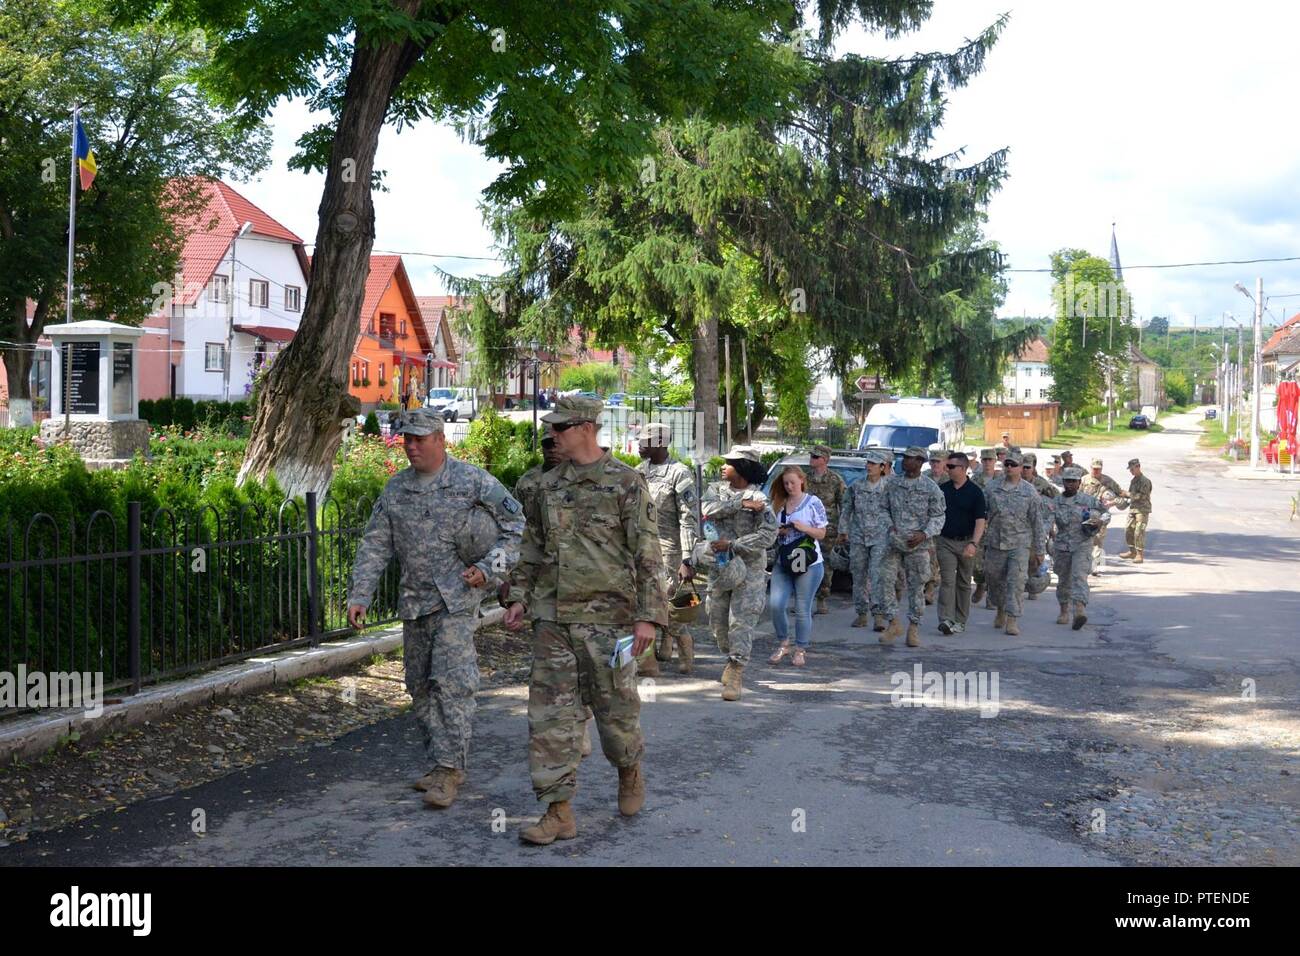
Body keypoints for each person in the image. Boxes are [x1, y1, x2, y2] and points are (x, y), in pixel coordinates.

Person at [504, 395, 668, 846]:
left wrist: (649, 618)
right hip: (553, 618)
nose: (553, 435)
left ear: (586, 428)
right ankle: (558, 811)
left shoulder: (627, 483)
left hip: (607, 620)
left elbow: (647, 554)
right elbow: (532, 546)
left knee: (615, 713)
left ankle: (629, 769)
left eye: (560, 427)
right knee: (549, 716)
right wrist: (519, 596)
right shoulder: (547, 486)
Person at [347, 408, 525, 810]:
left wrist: (487, 568)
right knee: (419, 685)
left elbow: (517, 528)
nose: (411, 446)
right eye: (406, 439)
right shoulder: (396, 490)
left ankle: (449, 768)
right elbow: (376, 545)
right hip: (415, 602)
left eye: (419, 439)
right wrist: (360, 595)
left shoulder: (472, 480)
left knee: (452, 683)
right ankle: (438, 761)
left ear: (441, 440)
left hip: (456, 601)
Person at [511, 424, 595, 759]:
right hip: (546, 592)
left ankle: (582, 721)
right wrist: (517, 587)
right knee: (554, 673)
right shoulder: (531, 484)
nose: (551, 448)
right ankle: (565, 737)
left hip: (588, 594)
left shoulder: (584, 480)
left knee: (586, 669)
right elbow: (521, 534)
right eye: (545, 443)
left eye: (555, 441)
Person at [698, 445, 779, 701]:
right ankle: (729, 657)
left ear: (742, 467)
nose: (723, 466)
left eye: (729, 463)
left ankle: (736, 670)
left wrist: (734, 544)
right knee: (717, 620)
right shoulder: (715, 490)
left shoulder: (760, 499)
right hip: (721, 567)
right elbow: (706, 510)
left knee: (741, 622)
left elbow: (769, 534)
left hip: (749, 569)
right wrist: (739, 503)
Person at [637, 422, 701, 673]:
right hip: (642, 546)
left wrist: (687, 559)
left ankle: (684, 645)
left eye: (646, 440)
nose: (641, 444)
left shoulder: (679, 473)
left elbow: (688, 518)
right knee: (643, 603)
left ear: (661, 443)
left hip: (669, 548)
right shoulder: (639, 471)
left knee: (668, 606)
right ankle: (648, 659)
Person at [878, 446, 946, 648]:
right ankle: (893, 622)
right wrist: (889, 528)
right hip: (894, 542)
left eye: (910, 459)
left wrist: (924, 533)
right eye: (904, 458)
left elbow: (939, 515)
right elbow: (882, 509)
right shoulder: (893, 484)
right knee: (884, 580)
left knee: (917, 587)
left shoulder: (930, 487)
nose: (905, 461)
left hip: (918, 545)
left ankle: (913, 628)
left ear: (920, 462)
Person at [767, 465, 829, 667]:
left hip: (808, 561)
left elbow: (821, 533)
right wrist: (779, 531)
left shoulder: (813, 502)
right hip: (784, 560)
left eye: (793, 482)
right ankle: (784, 643)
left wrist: (804, 528)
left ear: (802, 480)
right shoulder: (779, 502)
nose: (789, 486)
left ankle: (800, 649)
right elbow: (769, 530)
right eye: (786, 483)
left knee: (802, 608)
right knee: (776, 604)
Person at [983, 450, 1046, 637]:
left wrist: (1040, 549)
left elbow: (1037, 522)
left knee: (1016, 582)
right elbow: (981, 515)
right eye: (1007, 464)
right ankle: (1000, 609)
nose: (1009, 467)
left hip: (1020, 544)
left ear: (1021, 468)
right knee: (994, 580)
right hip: (995, 542)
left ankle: (1012, 618)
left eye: (1014, 465)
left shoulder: (1029, 492)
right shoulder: (991, 488)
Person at [839, 448, 894, 630]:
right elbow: (847, 509)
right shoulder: (856, 486)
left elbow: (897, 511)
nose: (869, 466)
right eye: (868, 463)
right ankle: (861, 613)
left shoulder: (890, 488)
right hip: (858, 536)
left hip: (881, 537)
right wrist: (843, 531)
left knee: (877, 575)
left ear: (883, 467)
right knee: (859, 574)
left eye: (873, 464)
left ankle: (878, 615)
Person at [1051, 465, 1110, 629]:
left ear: (1079, 483)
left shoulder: (1088, 500)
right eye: (1067, 481)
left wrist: (1100, 521)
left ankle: (1079, 610)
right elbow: (1047, 520)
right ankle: (1063, 611)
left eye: (1074, 482)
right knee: (1064, 580)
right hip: (1062, 545)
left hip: (1082, 543)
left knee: (1079, 576)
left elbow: (1105, 512)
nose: (1070, 484)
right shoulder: (1056, 502)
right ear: (1063, 482)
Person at [936, 452, 987, 635]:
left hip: (966, 542)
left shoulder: (975, 492)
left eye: (951, 467)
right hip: (945, 542)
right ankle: (945, 619)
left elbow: (980, 520)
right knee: (948, 581)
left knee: (964, 582)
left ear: (964, 468)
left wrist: (974, 543)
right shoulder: (942, 490)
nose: (946, 469)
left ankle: (960, 620)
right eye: (946, 466)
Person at [806, 444, 847, 615]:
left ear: (825, 460)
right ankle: (805, 600)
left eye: (816, 457)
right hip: (806, 528)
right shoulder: (804, 479)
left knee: (825, 565)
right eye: (811, 456)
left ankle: (822, 597)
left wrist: (844, 530)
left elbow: (844, 505)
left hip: (828, 530)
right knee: (805, 563)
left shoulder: (835, 480)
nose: (812, 459)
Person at [1080, 458, 1123, 574]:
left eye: (1098, 469)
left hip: (1101, 513)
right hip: (1085, 512)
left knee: (1098, 540)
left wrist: (1113, 502)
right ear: (1090, 468)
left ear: (1101, 469)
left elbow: (1120, 493)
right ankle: (1084, 564)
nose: (1096, 471)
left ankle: (1094, 566)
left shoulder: (1108, 481)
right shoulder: (1084, 480)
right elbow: (1077, 495)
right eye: (1094, 469)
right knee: (1084, 539)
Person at [969, 447, 999, 607]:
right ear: (981, 461)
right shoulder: (975, 480)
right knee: (977, 563)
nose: (987, 463)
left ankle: (991, 597)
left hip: (997, 528)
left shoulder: (1001, 479)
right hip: (979, 526)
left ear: (995, 461)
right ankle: (980, 584)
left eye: (990, 460)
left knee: (994, 564)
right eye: (985, 460)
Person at [1116, 458, 1153, 563]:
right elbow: (1131, 495)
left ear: (1138, 467)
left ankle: (1139, 555)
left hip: (1142, 509)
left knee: (1139, 532)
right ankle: (1132, 552)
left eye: (1132, 469)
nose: (1131, 471)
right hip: (1133, 509)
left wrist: (1127, 494)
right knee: (1128, 530)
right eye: (1130, 470)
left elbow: (1141, 496)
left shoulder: (1145, 481)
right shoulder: (1134, 480)